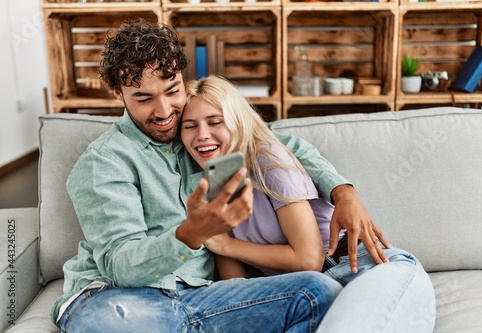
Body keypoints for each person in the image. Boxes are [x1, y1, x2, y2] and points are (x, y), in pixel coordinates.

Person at [50, 18, 379, 332]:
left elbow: (279, 143)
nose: (164, 112)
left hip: (202, 300)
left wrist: (342, 191)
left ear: (183, 78)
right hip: (118, 297)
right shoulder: (104, 162)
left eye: (171, 90)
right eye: (144, 98)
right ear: (117, 94)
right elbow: (121, 266)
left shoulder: (196, 134)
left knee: (316, 291)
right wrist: (188, 236)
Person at [180, 75, 436, 332]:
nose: (202, 135)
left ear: (238, 122)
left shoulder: (267, 159)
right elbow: (239, 290)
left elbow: (308, 259)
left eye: (215, 122)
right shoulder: (208, 187)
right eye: (189, 126)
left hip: (364, 268)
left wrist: (225, 244)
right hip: (305, 296)